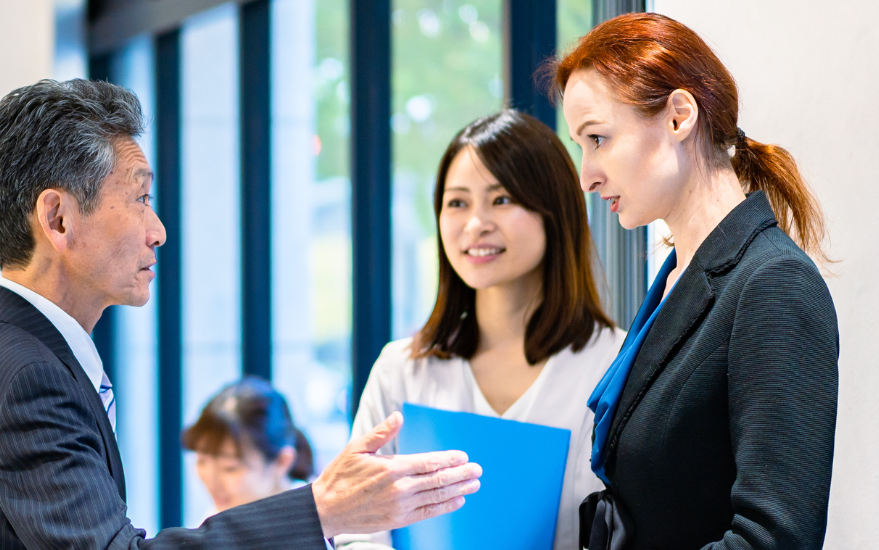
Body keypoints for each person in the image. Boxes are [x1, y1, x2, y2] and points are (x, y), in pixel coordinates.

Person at [0, 78, 482, 549]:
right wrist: (322, 510)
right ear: (58, 218)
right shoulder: (30, 377)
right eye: (140, 198)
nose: (157, 231)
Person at [552, 13, 838, 550]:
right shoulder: (676, 278)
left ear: (679, 116)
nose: (587, 175)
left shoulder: (774, 284)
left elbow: (773, 539)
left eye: (598, 139)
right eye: (581, 146)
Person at [340, 110, 625, 550]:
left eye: (502, 199)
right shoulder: (402, 369)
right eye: (457, 203)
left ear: (556, 211)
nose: (476, 224)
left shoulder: (617, 365)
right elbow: (359, 529)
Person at [183, 377, 315, 515]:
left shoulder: (311, 519)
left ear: (282, 461)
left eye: (229, 467)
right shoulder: (218, 515)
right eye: (201, 460)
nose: (212, 482)